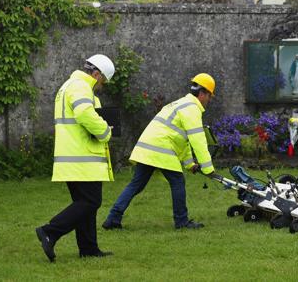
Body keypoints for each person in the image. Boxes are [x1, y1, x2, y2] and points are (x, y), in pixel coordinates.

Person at [102, 73, 216, 230]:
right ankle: (181, 221)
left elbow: (182, 140)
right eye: (210, 97)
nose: (209, 101)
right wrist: (208, 168)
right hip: (161, 148)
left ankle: (113, 219)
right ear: (203, 93)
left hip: (147, 148)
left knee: (136, 185)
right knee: (177, 182)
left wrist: (190, 164)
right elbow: (198, 140)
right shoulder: (192, 109)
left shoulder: (179, 104)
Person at [35, 54, 116, 262]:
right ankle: (49, 231)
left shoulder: (69, 86)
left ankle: (88, 249)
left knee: (84, 203)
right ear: (96, 74)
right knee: (90, 202)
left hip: (74, 157)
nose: (102, 86)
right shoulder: (80, 86)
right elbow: (84, 114)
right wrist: (106, 131)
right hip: (83, 157)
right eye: (103, 81)